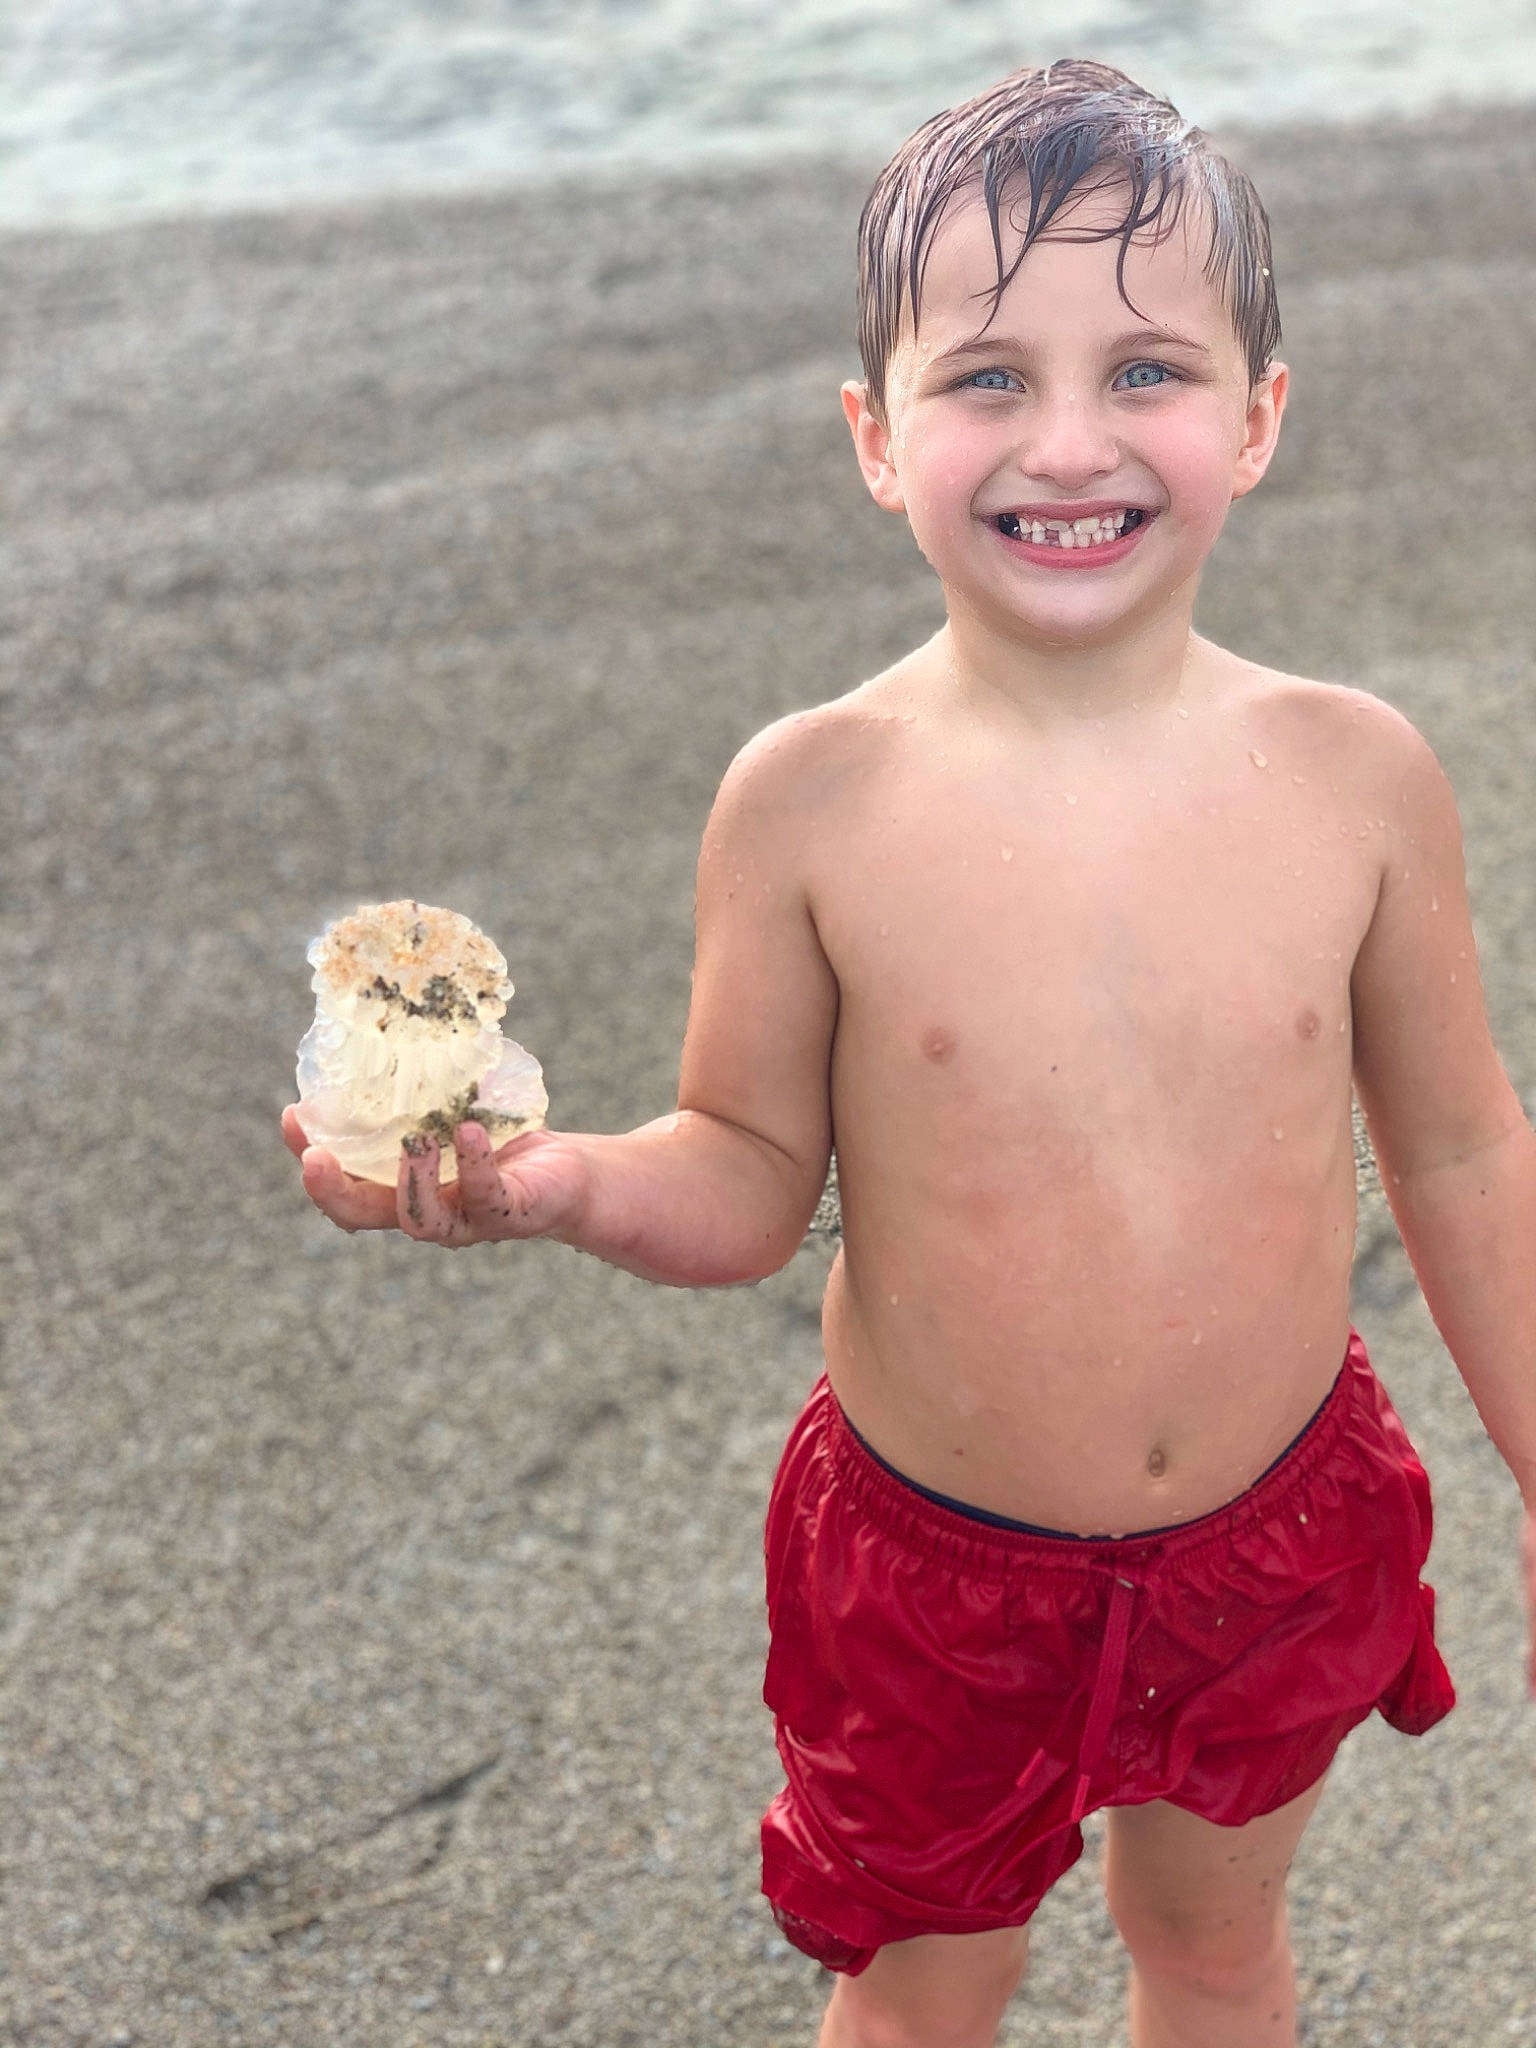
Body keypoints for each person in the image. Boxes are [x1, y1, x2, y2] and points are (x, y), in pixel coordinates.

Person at [283, 58, 1536, 2048]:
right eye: (985, 379)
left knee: (1214, 1950)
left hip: (1278, 1532)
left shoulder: (1355, 775)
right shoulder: (813, 801)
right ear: (876, 437)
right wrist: (562, 1182)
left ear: (1260, 416)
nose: (1069, 436)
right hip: (937, 1579)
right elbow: (749, 1170)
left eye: (1146, 371)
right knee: (922, 1979)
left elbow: (1462, 1149)